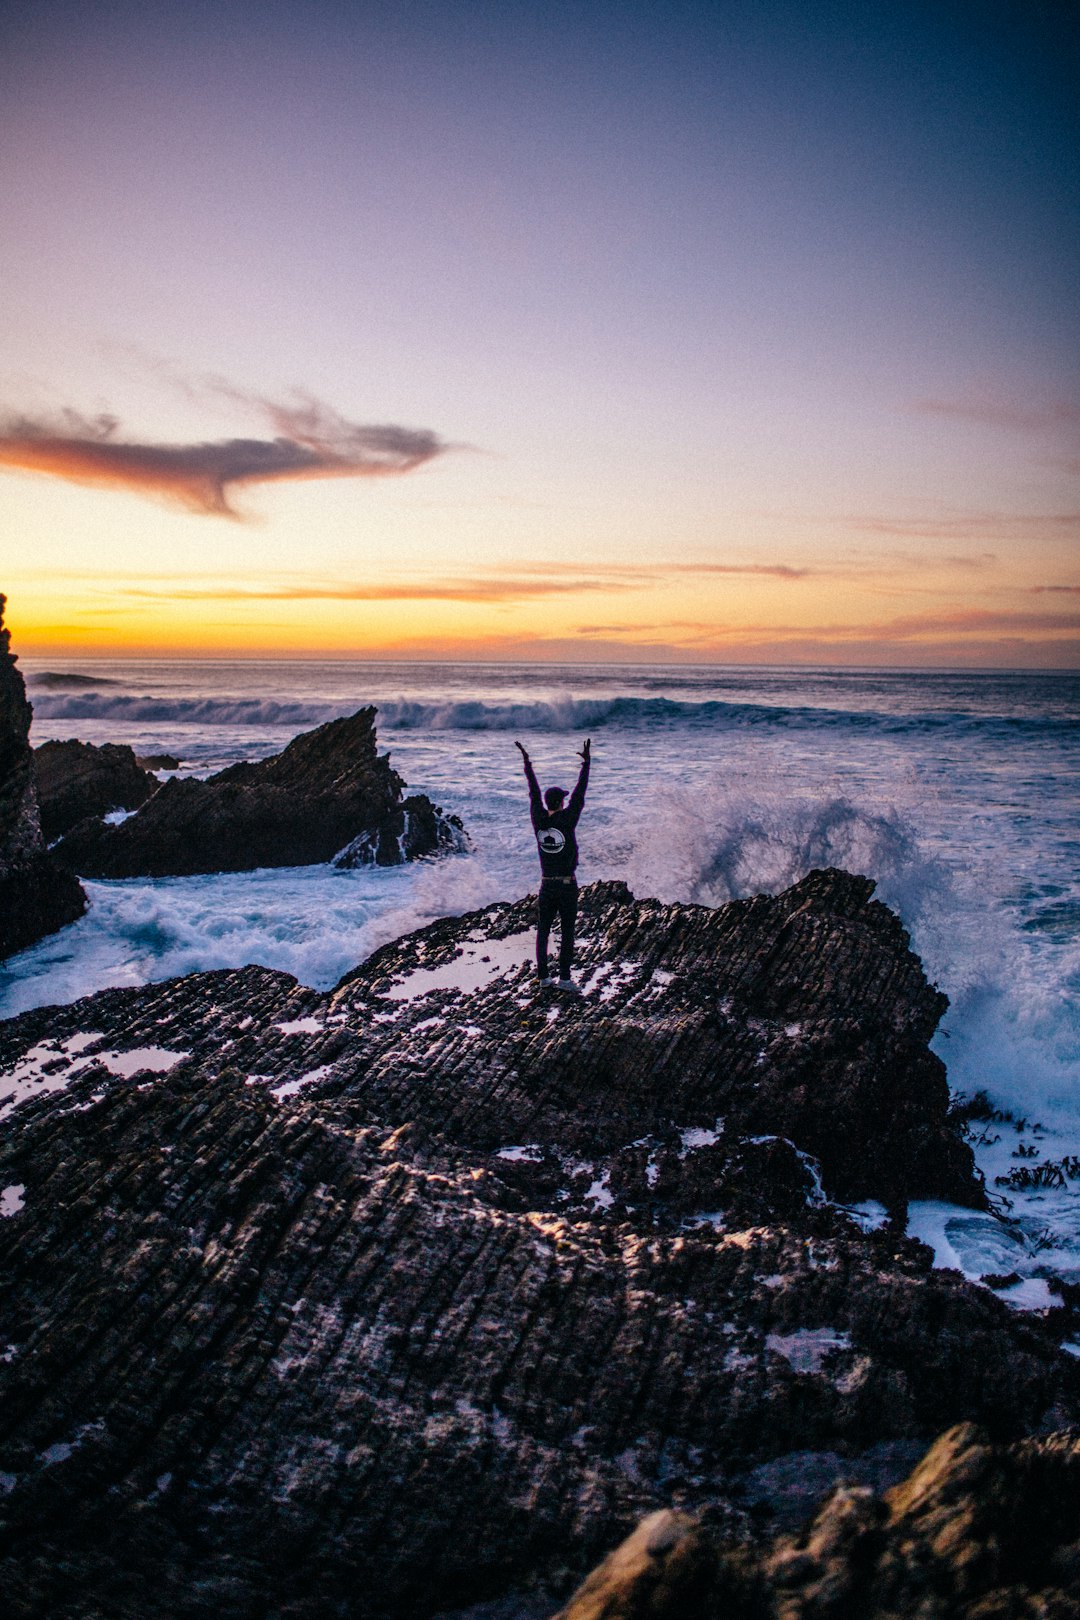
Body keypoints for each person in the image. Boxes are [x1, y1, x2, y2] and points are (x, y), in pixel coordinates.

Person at [514, 736, 591, 990]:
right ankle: (565, 979)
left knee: (543, 932)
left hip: (546, 884)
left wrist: (527, 763)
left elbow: (532, 792)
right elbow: (580, 794)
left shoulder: (538, 818)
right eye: (565, 800)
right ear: (561, 803)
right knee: (567, 932)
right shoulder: (568, 819)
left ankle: (544, 978)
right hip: (567, 885)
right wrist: (586, 764)